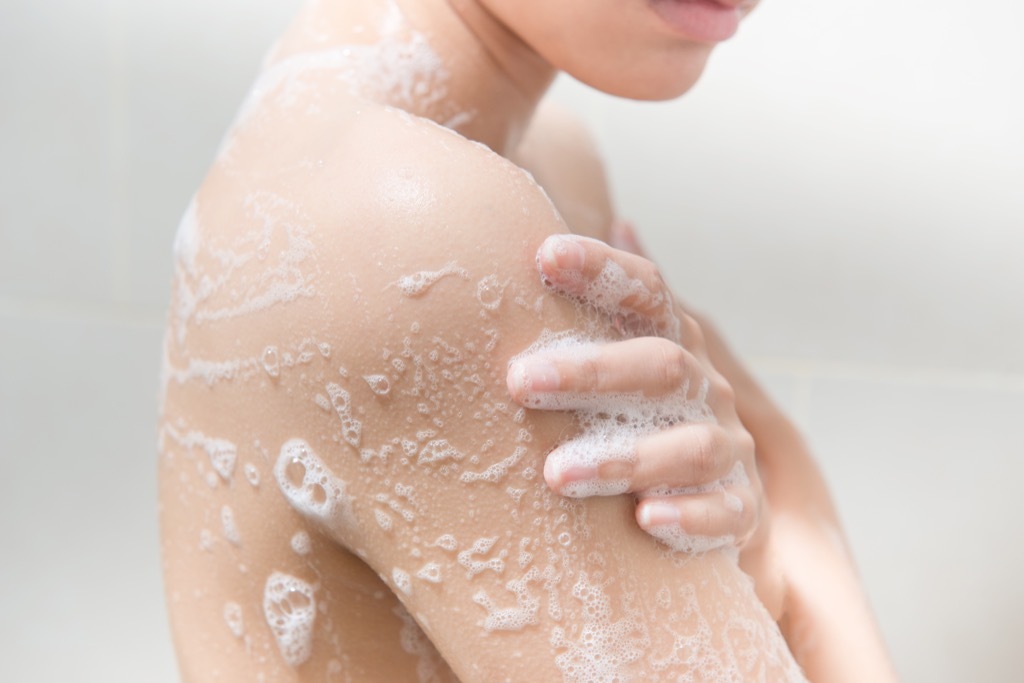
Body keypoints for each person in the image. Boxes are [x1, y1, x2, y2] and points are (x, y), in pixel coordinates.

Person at [158, 0, 897, 680]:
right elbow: (789, 531)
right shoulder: (419, 224)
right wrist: (780, 539)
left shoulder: (541, 155)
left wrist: (767, 521)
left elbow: (765, 477)